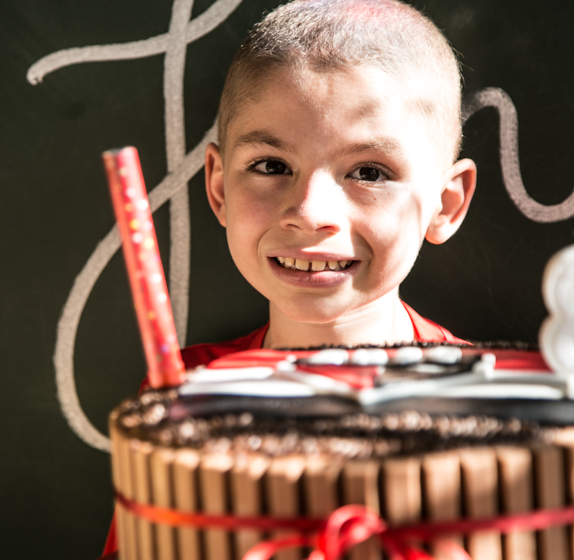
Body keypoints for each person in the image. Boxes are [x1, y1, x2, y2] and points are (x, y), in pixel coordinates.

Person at [102, 0, 476, 555]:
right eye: (272, 166)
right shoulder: (182, 397)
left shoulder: (501, 411)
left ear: (445, 205)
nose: (310, 212)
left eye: (369, 172)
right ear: (220, 187)